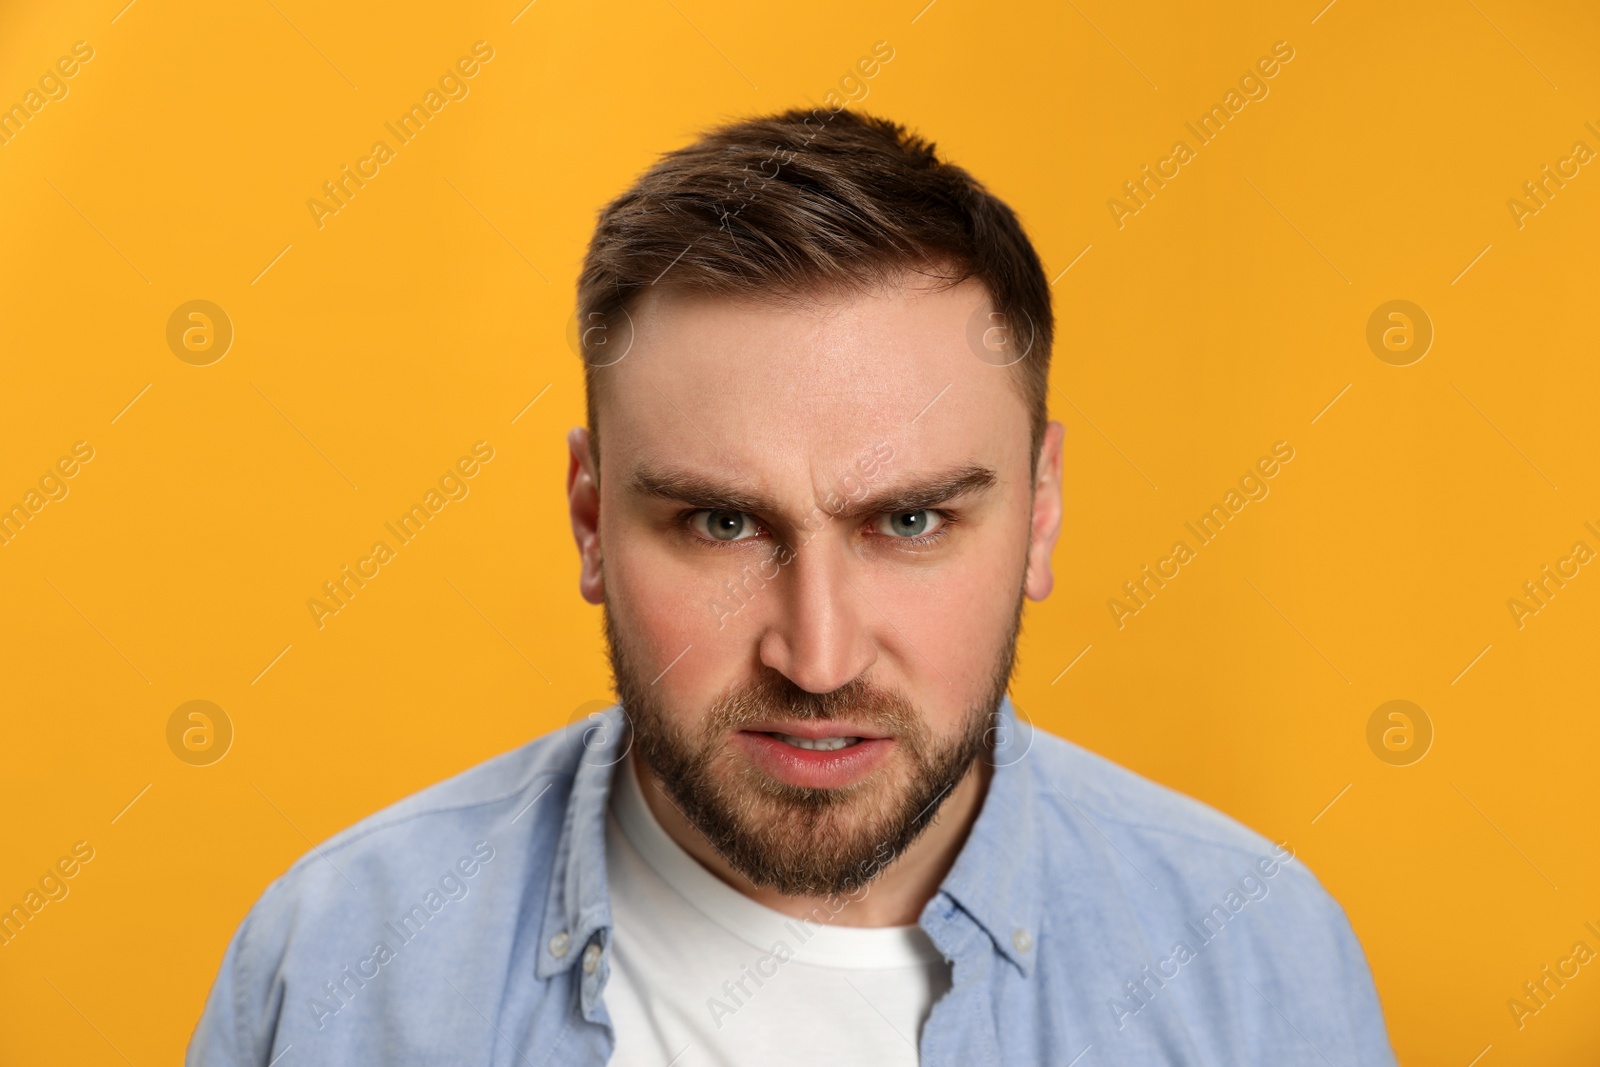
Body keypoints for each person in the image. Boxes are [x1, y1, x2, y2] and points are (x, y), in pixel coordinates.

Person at [188, 107, 1396, 1065]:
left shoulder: (1251, 957)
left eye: (910, 520)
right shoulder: (338, 960)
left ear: (1041, 511)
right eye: (721, 522)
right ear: (592, 516)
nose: (816, 660)